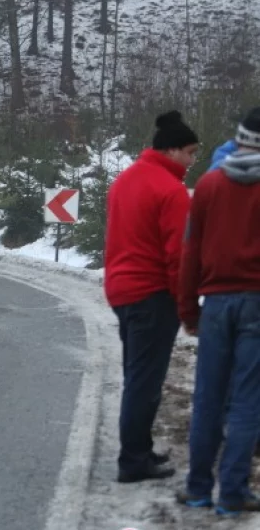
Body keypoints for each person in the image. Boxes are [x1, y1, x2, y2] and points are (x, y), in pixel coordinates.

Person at [104, 110, 199, 483]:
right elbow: (180, 256)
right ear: (172, 150)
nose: (193, 161)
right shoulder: (171, 191)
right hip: (153, 294)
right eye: (190, 153)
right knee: (145, 380)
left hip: (121, 290)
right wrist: (185, 304)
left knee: (136, 374)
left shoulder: (125, 180)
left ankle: (139, 447)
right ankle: (133, 460)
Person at [176, 107, 260, 515]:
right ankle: (232, 493)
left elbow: (190, 252)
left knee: (207, 398)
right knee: (247, 401)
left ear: (240, 137)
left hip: (216, 305)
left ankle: (196, 488)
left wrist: (188, 309)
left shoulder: (209, 185)